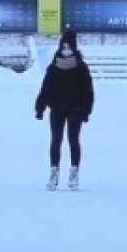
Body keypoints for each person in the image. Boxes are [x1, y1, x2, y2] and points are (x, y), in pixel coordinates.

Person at [35, 30, 94, 191]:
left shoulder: (81, 68)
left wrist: (85, 111)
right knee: (55, 141)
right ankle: (54, 172)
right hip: (57, 110)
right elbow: (46, 88)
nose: (66, 49)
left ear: (74, 47)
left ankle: (74, 172)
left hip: (75, 110)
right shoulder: (54, 67)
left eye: (69, 46)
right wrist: (40, 107)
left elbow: (88, 91)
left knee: (73, 140)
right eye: (64, 46)